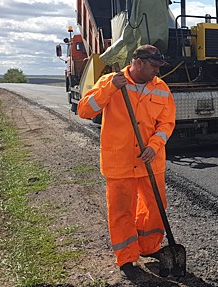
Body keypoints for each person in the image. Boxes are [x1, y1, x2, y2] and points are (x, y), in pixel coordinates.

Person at [77, 44, 176, 278]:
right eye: (153, 66)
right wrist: (110, 89)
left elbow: (167, 124)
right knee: (121, 211)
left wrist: (154, 146)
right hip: (119, 162)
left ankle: (149, 246)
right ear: (138, 62)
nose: (157, 72)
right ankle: (127, 258)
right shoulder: (111, 82)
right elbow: (84, 110)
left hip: (150, 162)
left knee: (155, 207)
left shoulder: (161, 88)